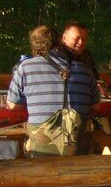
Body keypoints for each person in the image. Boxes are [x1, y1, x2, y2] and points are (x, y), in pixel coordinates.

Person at [7, 24, 100, 154]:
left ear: (34, 46)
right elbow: (96, 106)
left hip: (42, 151)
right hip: (78, 150)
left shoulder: (25, 67)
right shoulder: (85, 70)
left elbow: (12, 105)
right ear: (59, 41)